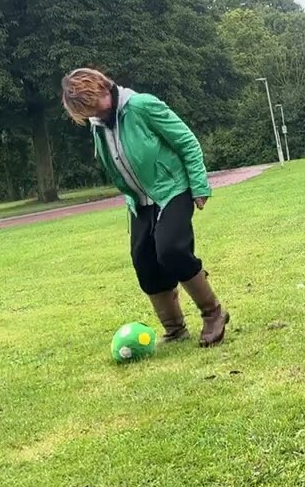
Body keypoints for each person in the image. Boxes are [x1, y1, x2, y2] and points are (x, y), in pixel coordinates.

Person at [60, 68, 229, 347]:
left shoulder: (141, 106)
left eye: (95, 105)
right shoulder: (98, 123)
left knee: (171, 250)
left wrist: (199, 186)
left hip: (172, 188)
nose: (95, 113)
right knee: (144, 262)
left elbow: (186, 141)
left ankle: (213, 313)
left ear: (103, 87)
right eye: (87, 111)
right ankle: (175, 329)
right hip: (139, 201)